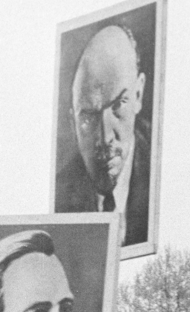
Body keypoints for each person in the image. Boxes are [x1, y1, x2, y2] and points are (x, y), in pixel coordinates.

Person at [55, 23, 151, 247]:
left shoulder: (160, 175)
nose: (105, 137)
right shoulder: (62, 195)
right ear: (73, 123)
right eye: (88, 117)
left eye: (119, 104)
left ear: (138, 95)